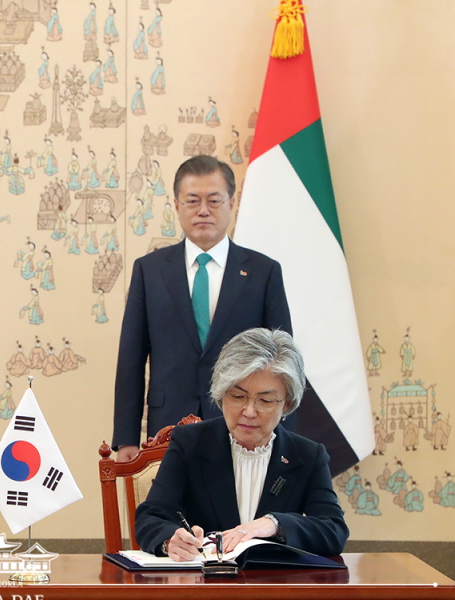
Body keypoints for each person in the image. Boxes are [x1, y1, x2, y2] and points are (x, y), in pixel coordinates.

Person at [113, 155, 292, 456]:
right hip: (166, 426)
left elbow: (284, 363)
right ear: (177, 204)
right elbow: (130, 360)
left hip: (246, 424)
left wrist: (285, 437)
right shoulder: (150, 270)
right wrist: (127, 438)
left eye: (214, 201)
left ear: (232, 204)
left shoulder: (263, 272)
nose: (203, 211)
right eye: (193, 201)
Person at [135, 329, 348, 560]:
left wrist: (273, 524)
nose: (248, 412)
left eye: (265, 400)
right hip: (204, 584)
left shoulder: (307, 455)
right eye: (237, 396)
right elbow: (151, 517)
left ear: (286, 404)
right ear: (221, 392)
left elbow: (333, 531)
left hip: (274, 586)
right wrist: (170, 541)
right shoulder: (190, 443)